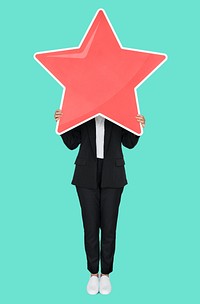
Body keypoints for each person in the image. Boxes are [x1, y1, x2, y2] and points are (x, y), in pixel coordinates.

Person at [54, 109, 145, 295]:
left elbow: (129, 143)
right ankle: (93, 274)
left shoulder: (119, 110)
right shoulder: (83, 111)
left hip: (113, 174)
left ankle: (106, 274)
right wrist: (62, 123)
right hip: (86, 174)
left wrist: (138, 125)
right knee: (90, 226)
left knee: (109, 227)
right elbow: (72, 143)